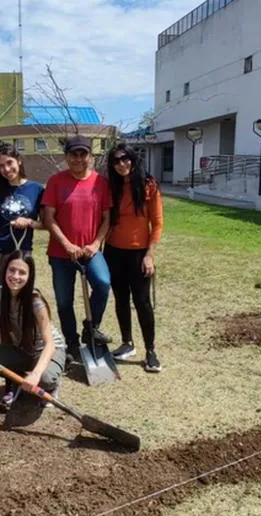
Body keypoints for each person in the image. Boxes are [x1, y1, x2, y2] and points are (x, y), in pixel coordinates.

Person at [41, 135, 113, 362]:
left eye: (83, 154)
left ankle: (91, 327)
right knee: (64, 300)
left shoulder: (101, 183)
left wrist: (95, 243)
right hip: (61, 253)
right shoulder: (55, 181)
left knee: (102, 283)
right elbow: (48, 218)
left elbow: (107, 218)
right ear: (66, 157)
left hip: (90, 251)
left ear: (90, 157)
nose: (78, 159)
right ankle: (71, 342)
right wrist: (66, 244)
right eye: (74, 154)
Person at [0, 251, 66, 411]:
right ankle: (18, 380)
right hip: (22, 351)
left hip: (47, 351)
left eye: (22, 272)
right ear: (5, 270)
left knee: (45, 379)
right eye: (11, 270)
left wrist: (35, 374)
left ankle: (51, 383)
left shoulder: (35, 301)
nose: (15, 276)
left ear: (30, 276)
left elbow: (50, 344)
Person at [103, 145, 164, 372]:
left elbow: (157, 224)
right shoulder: (112, 188)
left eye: (125, 159)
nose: (121, 164)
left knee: (142, 302)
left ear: (133, 160)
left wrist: (149, 254)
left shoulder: (149, 186)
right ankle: (127, 343)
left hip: (139, 253)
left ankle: (150, 350)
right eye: (116, 161)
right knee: (120, 298)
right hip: (113, 252)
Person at [0, 143, 45, 292]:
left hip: (21, 251)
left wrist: (29, 222)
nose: (6, 169)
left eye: (9, 162)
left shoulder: (36, 189)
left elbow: (45, 223)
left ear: (19, 160)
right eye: (1, 166)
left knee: (20, 295)